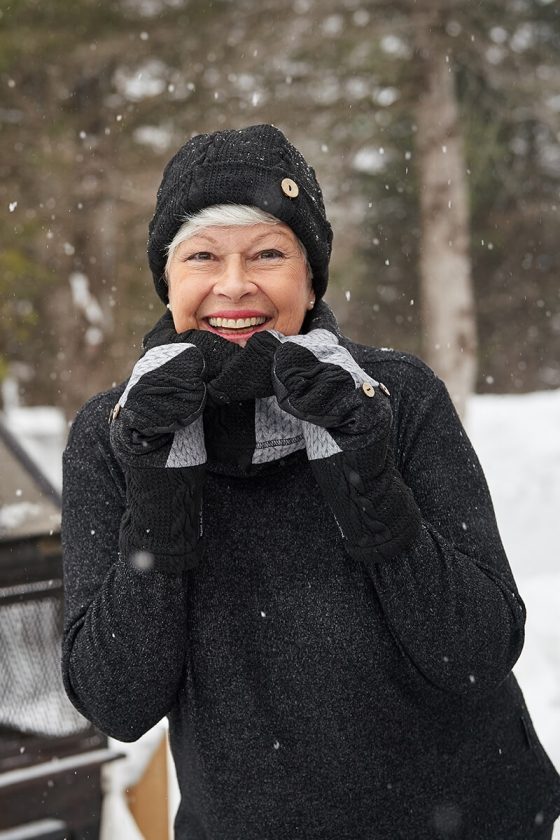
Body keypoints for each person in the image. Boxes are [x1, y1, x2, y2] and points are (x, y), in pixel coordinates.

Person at [61, 124, 560, 840]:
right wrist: (160, 487)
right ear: (168, 278)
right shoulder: (117, 434)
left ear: (310, 274)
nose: (234, 284)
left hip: (467, 818)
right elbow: (118, 699)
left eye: (268, 252)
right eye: (202, 255)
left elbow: (476, 649)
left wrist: (364, 471)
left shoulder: (395, 397)